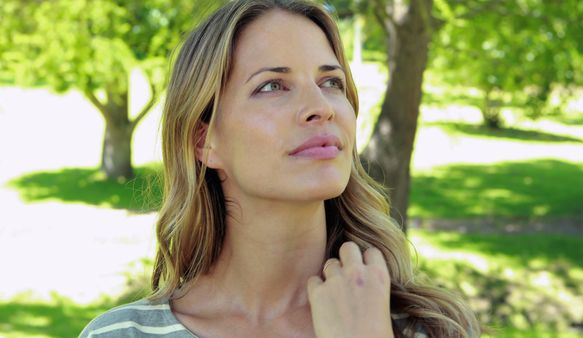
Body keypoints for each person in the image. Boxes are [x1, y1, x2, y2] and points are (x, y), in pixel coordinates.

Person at [80, 0, 481, 337]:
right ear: (204, 141)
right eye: (272, 86)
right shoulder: (118, 334)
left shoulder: (429, 329)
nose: (321, 107)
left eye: (331, 83)